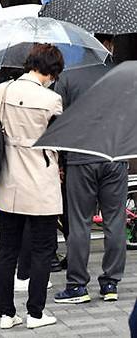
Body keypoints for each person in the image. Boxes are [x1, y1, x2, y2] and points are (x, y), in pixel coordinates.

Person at [0, 43, 64, 330]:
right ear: (51, 71)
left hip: (9, 180)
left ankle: (6, 314)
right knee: (43, 249)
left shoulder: (4, 90)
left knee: (8, 249)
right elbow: (60, 141)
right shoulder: (52, 99)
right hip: (41, 181)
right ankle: (36, 313)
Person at [54, 34, 126, 304]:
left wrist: (60, 157)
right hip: (115, 156)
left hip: (80, 157)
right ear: (109, 46)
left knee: (80, 222)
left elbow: (57, 117)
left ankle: (77, 285)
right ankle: (110, 283)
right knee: (115, 221)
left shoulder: (69, 77)